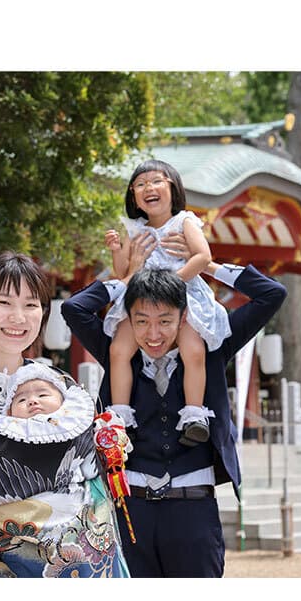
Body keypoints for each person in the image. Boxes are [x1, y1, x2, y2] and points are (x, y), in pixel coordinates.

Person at [62, 237, 287, 578]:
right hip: (128, 510)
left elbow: (273, 293)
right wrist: (127, 280)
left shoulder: (213, 349)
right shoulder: (115, 351)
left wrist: (206, 264)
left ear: (184, 317)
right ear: (128, 320)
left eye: (165, 321)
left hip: (194, 511)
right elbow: (73, 308)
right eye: (141, 321)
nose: (153, 334)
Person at [0, 251, 129, 578]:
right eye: (4, 302)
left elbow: (85, 468)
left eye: (31, 305)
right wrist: (56, 453)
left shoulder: (57, 381)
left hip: (57, 559)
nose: (18, 316)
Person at [103, 159, 230, 446]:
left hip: (180, 297)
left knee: (193, 349)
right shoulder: (133, 229)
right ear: (133, 197)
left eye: (156, 181)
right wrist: (115, 250)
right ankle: (121, 415)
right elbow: (123, 272)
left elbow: (202, 257)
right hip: (140, 299)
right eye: (140, 184)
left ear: (173, 187)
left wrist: (173, 285)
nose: (149, 187)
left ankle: (194, 414)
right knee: (119, 349)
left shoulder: (184, 221)